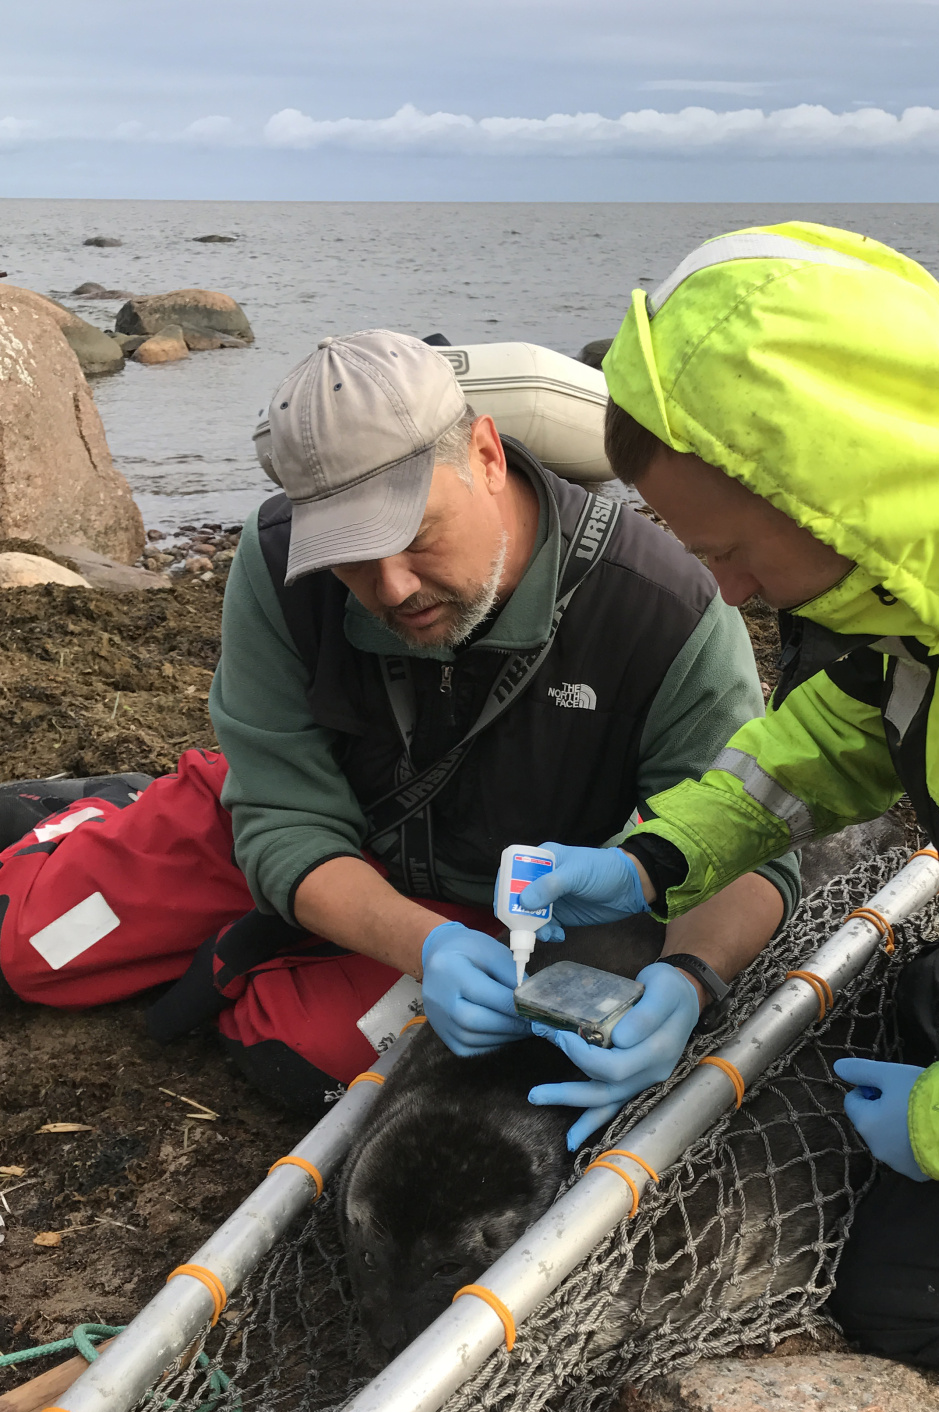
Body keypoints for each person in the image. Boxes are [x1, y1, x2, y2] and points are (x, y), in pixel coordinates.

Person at [512, 222, 939, 1377]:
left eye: (733, 550)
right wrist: (650, 860)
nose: (725, 589)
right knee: (929, 1010)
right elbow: (840, 733)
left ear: (832, 481)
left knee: (907, 1295)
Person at [0, 330, 797, 1138]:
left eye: (416, 534)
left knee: (296, 1054)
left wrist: (690, 978)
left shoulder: (660, 607)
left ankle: (264, 945)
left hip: (477, 906)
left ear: (486, 454)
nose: (391, 586)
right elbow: (281, 817)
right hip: (284, 832)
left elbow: (747, 839)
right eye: (349, 555)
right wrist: (423, 946)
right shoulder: (278, 564)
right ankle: (95, 813)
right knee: (35, 950)